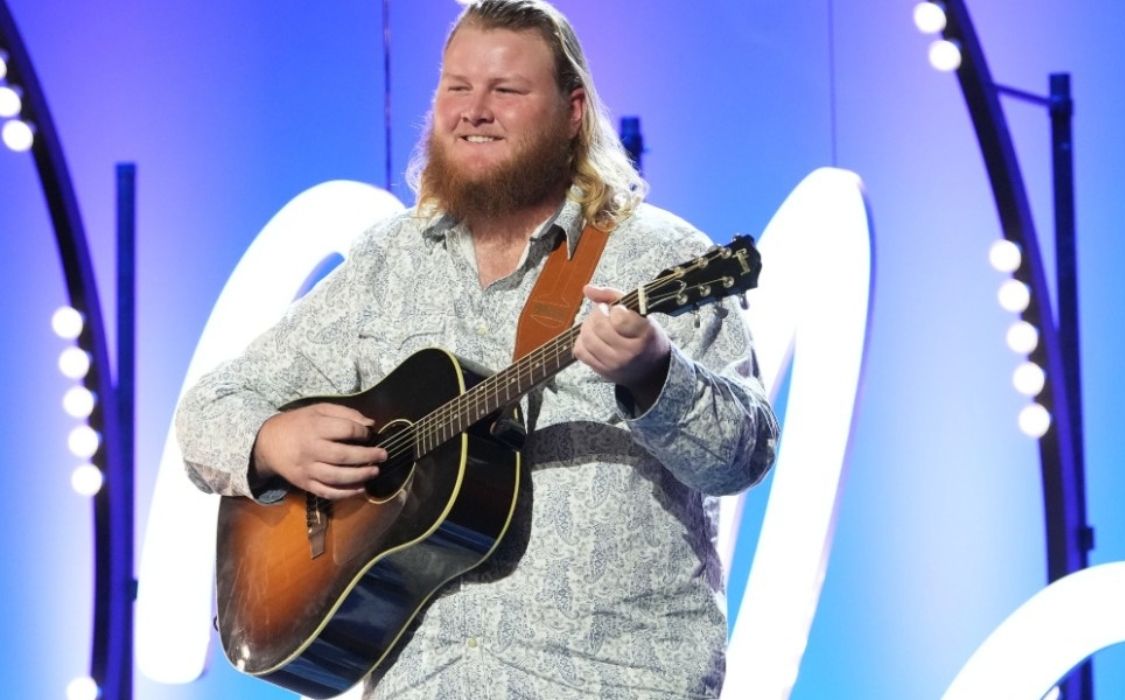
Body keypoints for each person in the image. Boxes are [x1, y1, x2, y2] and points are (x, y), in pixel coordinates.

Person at [175, 0, 778, 697]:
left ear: (573, 109)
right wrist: (271, 440)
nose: (473, 110)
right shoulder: (389, 262)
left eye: (507, 91)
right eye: (456, 87)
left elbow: (746, 452)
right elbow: (207, 411)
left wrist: (656, 374)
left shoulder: (662, 254)